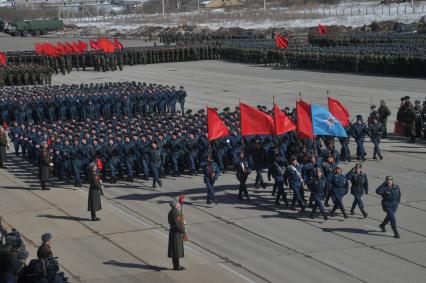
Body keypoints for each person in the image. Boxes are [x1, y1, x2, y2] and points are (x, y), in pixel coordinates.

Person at [168, 199, 185, 271]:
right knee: (176, 250)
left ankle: (176, 265)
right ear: (175, 205)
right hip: (176, 233)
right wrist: (183, 231)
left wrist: (182, 221)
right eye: (177, 203)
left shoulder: (172, 211)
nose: (178, 204)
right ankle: (176, 266)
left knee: (175, 250)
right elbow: (177, 224)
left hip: (173, 232)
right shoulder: (176, 212)